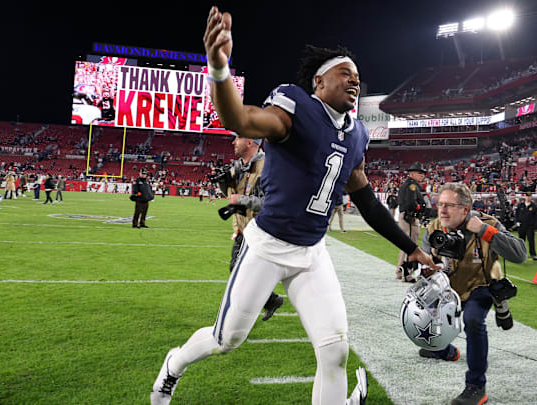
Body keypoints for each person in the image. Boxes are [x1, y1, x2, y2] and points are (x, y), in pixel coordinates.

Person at [150, 8, 435, 405]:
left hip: (312, 251)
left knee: (334, 349)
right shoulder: (295, 107)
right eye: (344, 73)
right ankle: (173, 366)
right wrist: (218, 67)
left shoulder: (357, 135)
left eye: (357, 75)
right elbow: (239, 117)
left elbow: (367, 200)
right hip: (267, 246)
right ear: (319, 81)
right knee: (226, 339)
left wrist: (410, 247)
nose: (354, 79)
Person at [418, 182, 526, 405]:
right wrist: (424, 268)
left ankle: (476, 386)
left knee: (473, 320)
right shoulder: (434, 228)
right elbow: (425, 261)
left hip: (480, 284)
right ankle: (444, 351)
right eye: (440, 204)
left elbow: (520, 254)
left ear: (465, 209)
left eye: (449, 205)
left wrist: (486, 232)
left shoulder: (487, 223)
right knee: (421, 313)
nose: (443, 210)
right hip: (448, 286)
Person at [213, 133, 284, 321]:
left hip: (262, 230)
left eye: (238, 138)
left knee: (240, 270)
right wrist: (223, 182)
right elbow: (231, 195)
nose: (233, 142)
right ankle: (269, 300)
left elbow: (270, 203)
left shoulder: (267, 166)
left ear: (250, 142)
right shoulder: (239, 167)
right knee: (238, 269)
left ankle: (241, 314)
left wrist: (241, 199)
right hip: (244, 228)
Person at [396, 162, 427, 282]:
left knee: (405, 246)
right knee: (411, 246)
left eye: (423, 174)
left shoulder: (409, 184)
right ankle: (406, 274)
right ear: (412, 174)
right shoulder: (412, 186)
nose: (422, 176)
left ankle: (400, 271)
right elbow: (411, 203)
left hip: (406, 216)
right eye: (419, 173)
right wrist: (420, 208)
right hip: (409, 218)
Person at [516, 192, 537, 259]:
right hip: (521, 225)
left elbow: (536, 217)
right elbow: (516, 214)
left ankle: (533, 254)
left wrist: (534, 226)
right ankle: (521, 254)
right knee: (521, 241)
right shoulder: (521, 205)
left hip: (530, 226)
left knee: (531, 241)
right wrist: (516, 222)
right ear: (525, 197)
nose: (528, 198)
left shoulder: (534, 206)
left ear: (531, 197)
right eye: (527, 196)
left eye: (529, 196)